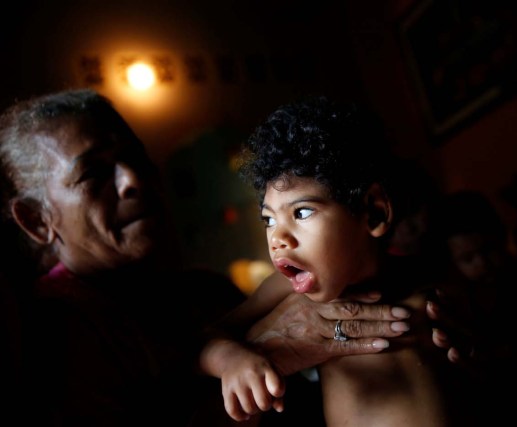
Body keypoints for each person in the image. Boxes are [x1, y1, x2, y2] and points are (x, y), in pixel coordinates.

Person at [0, 89, 413, 427]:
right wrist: (267, 351)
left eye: (136, 157)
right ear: (37, 220)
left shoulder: (204, 291)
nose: (133, 181)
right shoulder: (46, 329)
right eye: (92, 173)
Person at [201, 96, 475, 426]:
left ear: (373, 212)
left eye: (301, 212)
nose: (278, 239)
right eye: (269, 220)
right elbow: (208, 337)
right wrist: (232, 360)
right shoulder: (284, 290)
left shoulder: (429, 283)